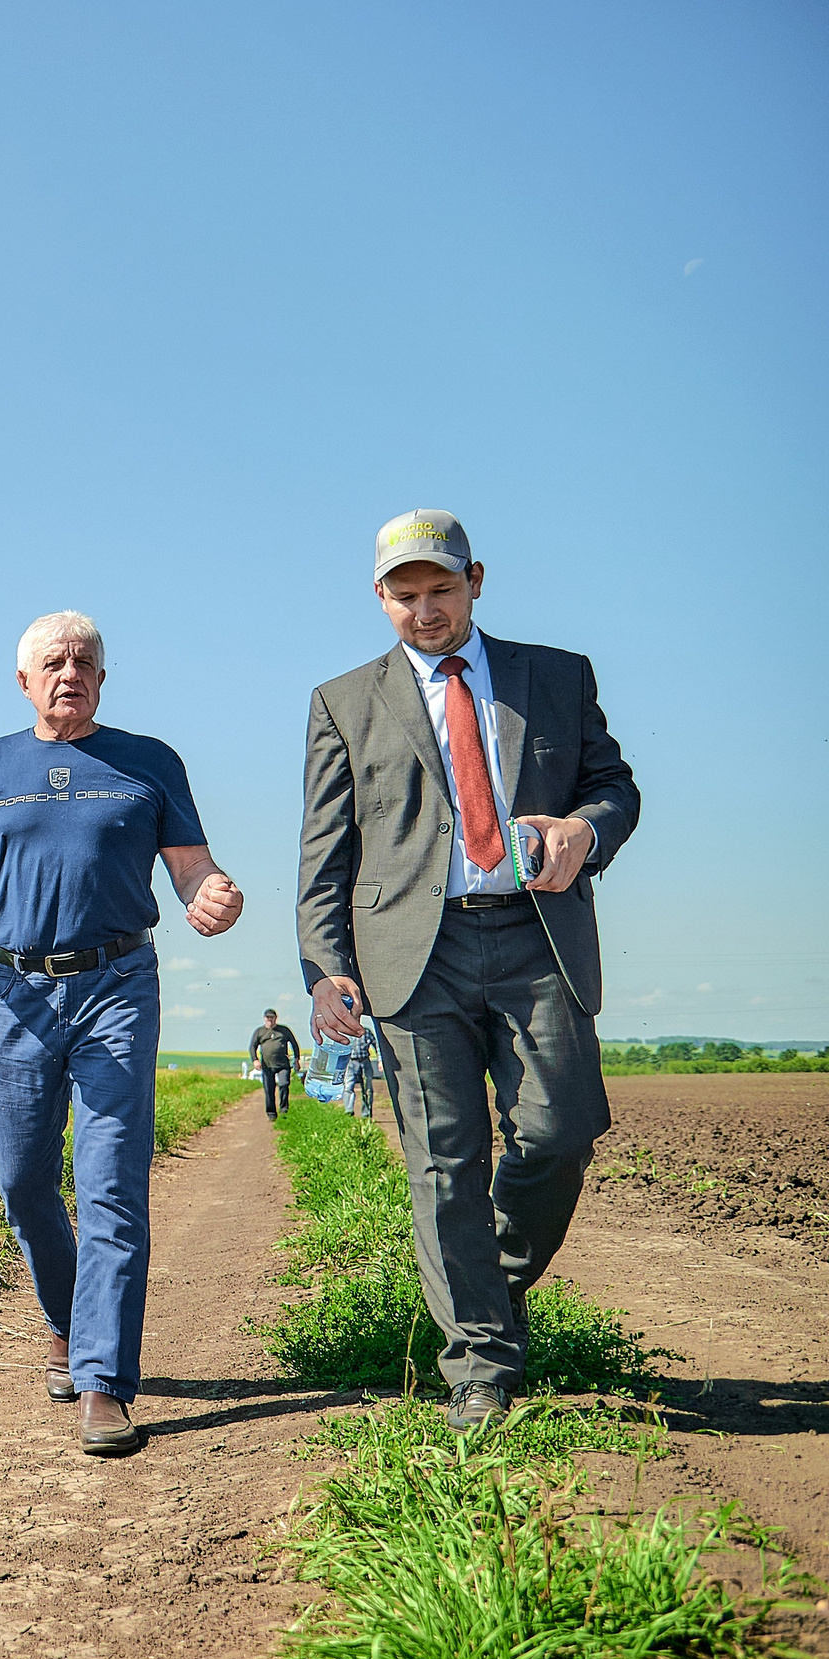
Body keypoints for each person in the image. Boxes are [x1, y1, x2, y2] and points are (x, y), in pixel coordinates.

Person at [298, 510, 640, 1433]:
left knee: (561, 1130)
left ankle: (487, 1274)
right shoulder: (342, 700)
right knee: (445, 1163)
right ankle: (479, 1367)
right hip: (414, 956)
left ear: (475, 580)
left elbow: (616, 786)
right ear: (379, 598)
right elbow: (324, 851)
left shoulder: (558, 677)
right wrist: (325, 968)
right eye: (404, 596)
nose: (424, 610)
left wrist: (586, 828)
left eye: (440, 590)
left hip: (538, 936)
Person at [0, 611, 244, 1458]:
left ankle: (103, 1381)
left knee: (109, 1182)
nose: (70, 672)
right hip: (14, 990)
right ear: (24, 681)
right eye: (53, 662)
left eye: (85, 662)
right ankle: (67, 1322)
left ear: (104, 679)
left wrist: (210, 893)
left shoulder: (150, 762)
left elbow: (191, 865)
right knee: (23, 1180)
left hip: (117, 986)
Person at [247, 1008, 303, 1117]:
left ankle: (284, 1109)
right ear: (264, 1019)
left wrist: (297, 1059)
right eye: (268, 1018)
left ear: (275, 1018)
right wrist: (255, 1060)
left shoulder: (284, 1030)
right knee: (269, 1089)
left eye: (272, 1018)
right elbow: (252, 1047)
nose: (270, 1020)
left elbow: (294, 1044)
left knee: (284, 1084)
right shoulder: (260, 1031)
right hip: (267, 1065)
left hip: (283, 1064)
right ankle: (271, 1112)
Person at [342, 1017, 381, 1118]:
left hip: (365, 1061)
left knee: (367, 1088)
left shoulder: (366, 1032)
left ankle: (366, 1113)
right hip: (350, 1062)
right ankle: (349, 1110)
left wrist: (380, 1060)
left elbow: (377, 1045)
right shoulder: (345, 1032)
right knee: (348, 1087)